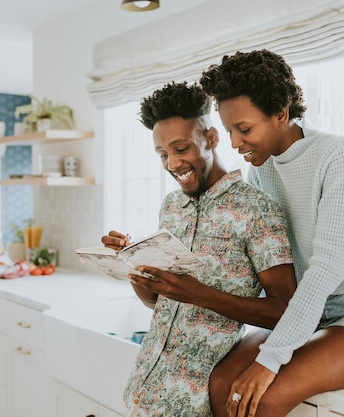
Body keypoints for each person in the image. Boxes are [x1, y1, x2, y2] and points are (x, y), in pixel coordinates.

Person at [200, 50, 344, 417]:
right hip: (310, 315)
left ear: (281, 114)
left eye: (245, 129)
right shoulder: (262, 171)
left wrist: (269, 361)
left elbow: (327, 267)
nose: (235, 143)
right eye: (230, 131)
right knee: (222, 384)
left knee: (262, 397)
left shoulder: (335, 154)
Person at [101, 81, 297, 417]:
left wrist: (197, 294)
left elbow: (287, 311)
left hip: (197, 401)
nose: (172, 163)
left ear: (211, 139)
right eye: (163, 154)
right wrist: (136, 268)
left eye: (181, 149)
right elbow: (160, 304)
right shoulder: (171, 207)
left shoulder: (257, 209)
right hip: (142, 392)